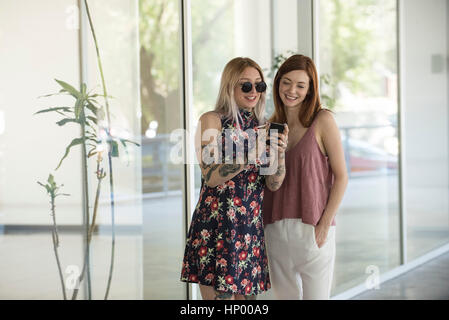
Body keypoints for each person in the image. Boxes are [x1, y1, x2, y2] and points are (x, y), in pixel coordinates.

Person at [180, 57, 288, 300]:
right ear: (230, 86)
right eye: (245, 85)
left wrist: (279, 154)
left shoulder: (262, 126)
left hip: (249, 231)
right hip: (217, 229)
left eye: (259, 86)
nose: (254, 92)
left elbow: (272, 183)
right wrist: (253, 149)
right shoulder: (212, 120)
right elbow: (211, 176)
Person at [263, 54, 348, 300]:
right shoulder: (270, 126)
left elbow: (342, 177)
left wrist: (324, 224)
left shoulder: (323, 121)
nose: (292, 90)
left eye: (301, 85)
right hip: (275, 228)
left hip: (312, 228)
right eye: (286, 82)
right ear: (278, 83)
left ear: (310, 90)